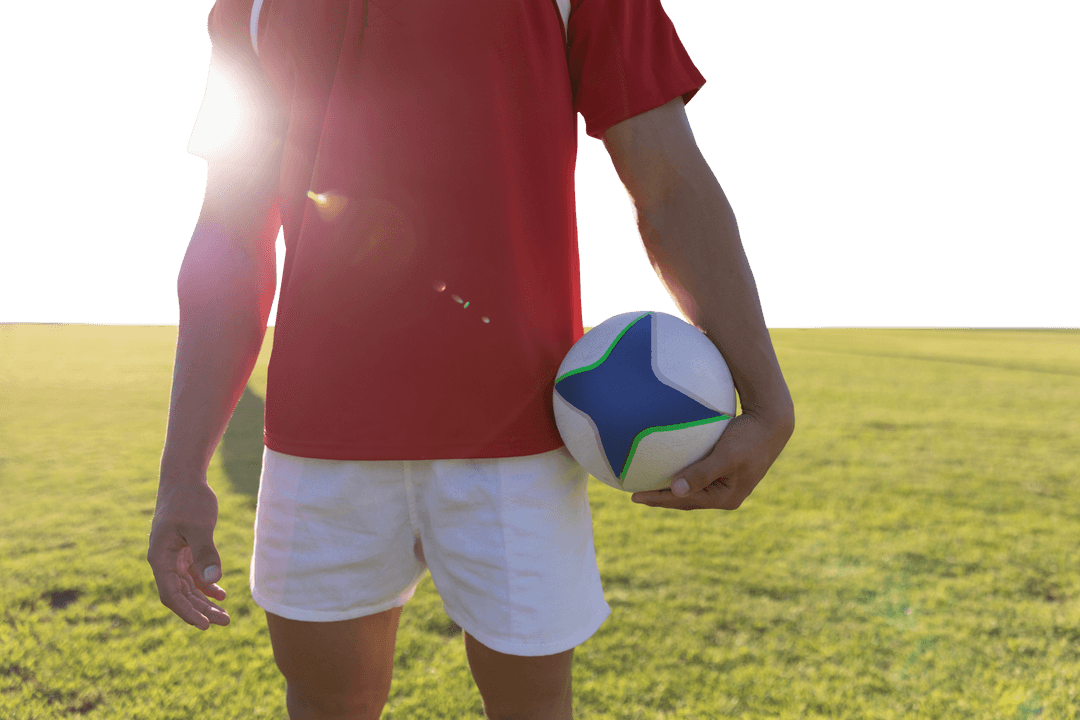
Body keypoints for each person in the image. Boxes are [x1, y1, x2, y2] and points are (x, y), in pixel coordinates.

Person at [147, 0, 795, 718]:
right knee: (326, 700)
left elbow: (667, 185)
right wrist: (181, 475)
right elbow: (231, 239)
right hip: (319, 443)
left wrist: (765, 399)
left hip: (518, 439)